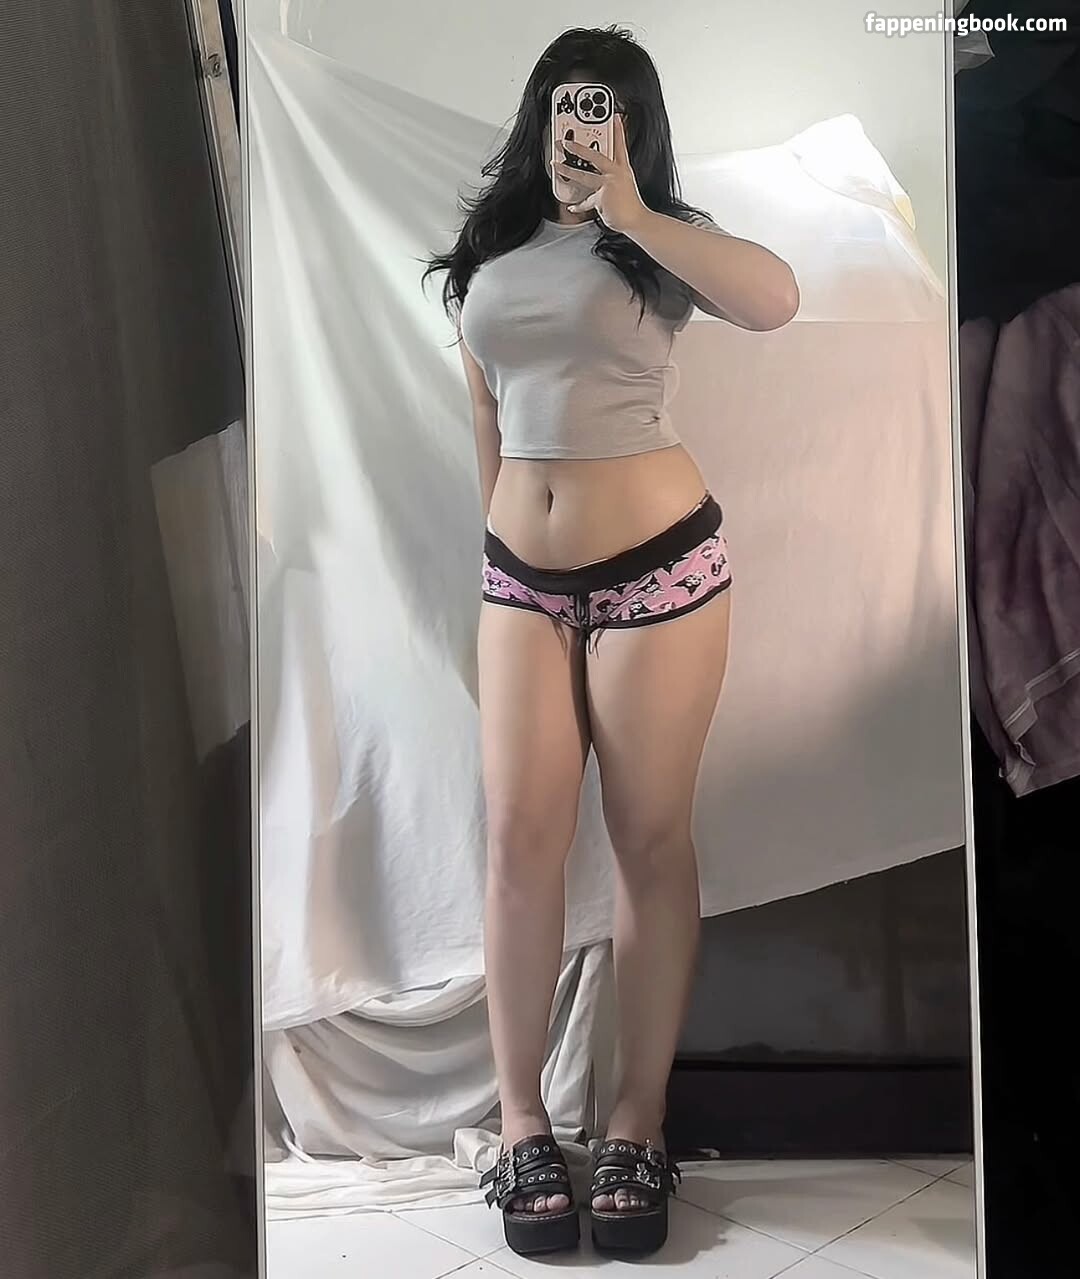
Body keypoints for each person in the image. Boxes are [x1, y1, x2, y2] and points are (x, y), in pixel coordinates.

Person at [424, 25, 798, 1258]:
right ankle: (523, 1121)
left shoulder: (661, 242)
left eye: (604, 108)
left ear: (633, 125)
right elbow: (488, 418)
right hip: (518, 584)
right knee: (517, 842)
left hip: (659, 573)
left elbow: (776, 300)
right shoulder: (492, 253)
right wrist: (495, 557)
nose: (578, 126)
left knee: (647, 841)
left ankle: (638, 1121)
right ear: (538, 114)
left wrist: (632, 208)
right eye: (563, 104)